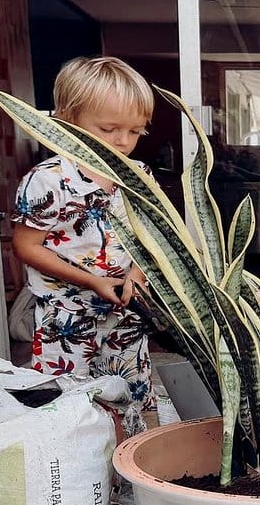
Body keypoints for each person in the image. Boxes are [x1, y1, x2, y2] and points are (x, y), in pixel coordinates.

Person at [10, 55, 156, 415]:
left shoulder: (138, 175)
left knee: (131, 402)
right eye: (108, 129)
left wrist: (136, 276)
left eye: (135, 131)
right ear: (67, 118)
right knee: (67, 407)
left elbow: (153, 237)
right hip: (66, 315)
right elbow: (26, 246)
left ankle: (128, 452)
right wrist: (91, 281)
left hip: (125, 312)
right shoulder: (47, 180)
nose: (123, 141)